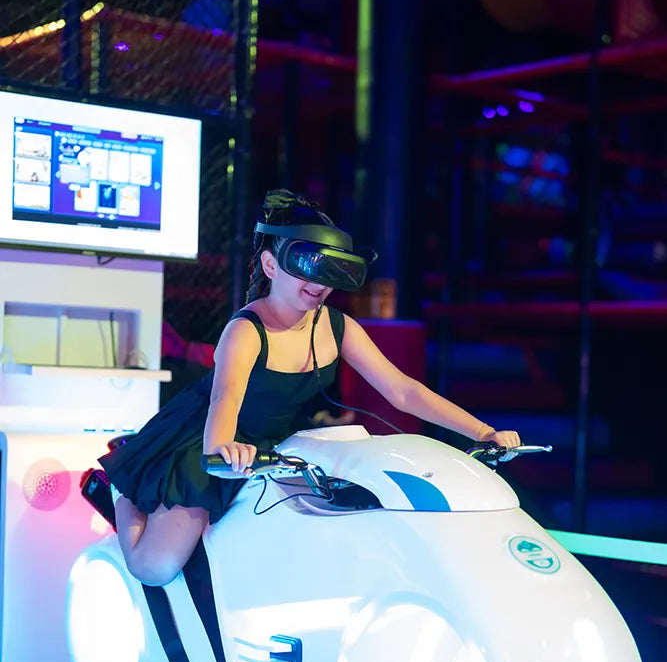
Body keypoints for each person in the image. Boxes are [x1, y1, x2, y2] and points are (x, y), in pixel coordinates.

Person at [95, 188, 520, 587]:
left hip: (280, 450)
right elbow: (225, 399)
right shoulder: (246, 330)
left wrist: (483, 432)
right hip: (213, 443)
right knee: (155, 567)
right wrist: (222, 450)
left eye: (330, 269)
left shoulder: (337, 326)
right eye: (306, 266)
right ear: (270, 266)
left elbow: (403, 391)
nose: (319, 282)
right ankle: (123, 483)